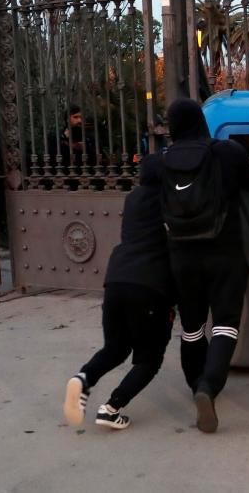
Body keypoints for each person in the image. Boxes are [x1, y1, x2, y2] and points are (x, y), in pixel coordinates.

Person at [163, 98, 249, 434]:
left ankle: (195, 387)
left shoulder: (160, 162)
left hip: (181, 256)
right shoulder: (227, 152)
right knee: (225, 324)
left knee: (192, 328)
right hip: (224, 252)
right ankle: (209, 387)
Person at [62, 154, 174, 431]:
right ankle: (112, 408)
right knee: (149, 359)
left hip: (116, 278)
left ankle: (83, 378)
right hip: (148, 284)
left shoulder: (133, 199)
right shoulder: (170, 199)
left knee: (116, 347)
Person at [49, 105, 99, 170]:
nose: (79, 120)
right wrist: (66, 144)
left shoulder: (90, 137)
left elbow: (97, 160)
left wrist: (85, 148)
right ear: (67, 119)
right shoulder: (56, 137)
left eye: (81, 117)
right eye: (75, 117)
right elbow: (51, 159)